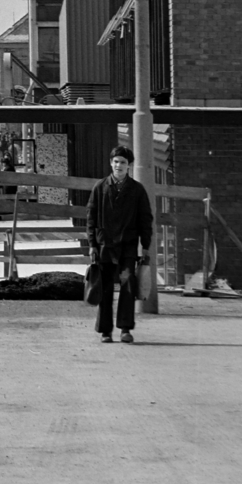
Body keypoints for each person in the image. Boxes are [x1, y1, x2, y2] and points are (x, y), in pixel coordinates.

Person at [86, 146, 154, 343]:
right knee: (105, 287)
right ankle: (105, 330)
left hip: (128, 247)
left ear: (129, 166)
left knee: (127, 284)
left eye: (123, 162)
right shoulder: (100, 188)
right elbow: (91, 218)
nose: (119, 166)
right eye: (116, 162)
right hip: (105, 246)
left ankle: (125, 328)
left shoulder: (137, 190)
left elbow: (145, 220)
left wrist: (145, 245)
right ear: (111, 163)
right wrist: (92, 244)